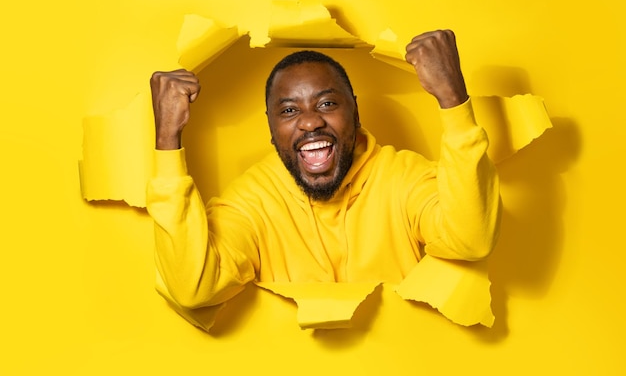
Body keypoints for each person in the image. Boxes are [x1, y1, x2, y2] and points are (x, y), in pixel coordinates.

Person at [147, 30, 501, 318]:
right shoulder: (254, 200)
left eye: (327, 104)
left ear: (355, 113)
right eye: (288, 110)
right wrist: (167, 140)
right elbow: (192, 287)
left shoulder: (402, 176)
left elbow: (470, 239)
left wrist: (453, 102)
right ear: (271, 131)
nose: (310, 121)